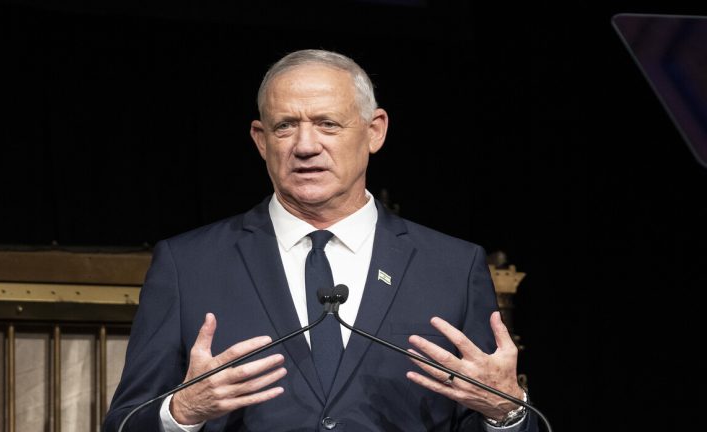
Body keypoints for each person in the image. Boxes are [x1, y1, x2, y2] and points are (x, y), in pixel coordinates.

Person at [104, 49, 538, 432]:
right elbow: (124, 422)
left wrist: (505, 413)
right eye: (285, 126)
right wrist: (181, 412)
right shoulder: (188, 264)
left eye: (327, 124)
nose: (305, 146)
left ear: (375, 131)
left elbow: (484, 414)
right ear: (260, 140)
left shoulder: (452, 268)